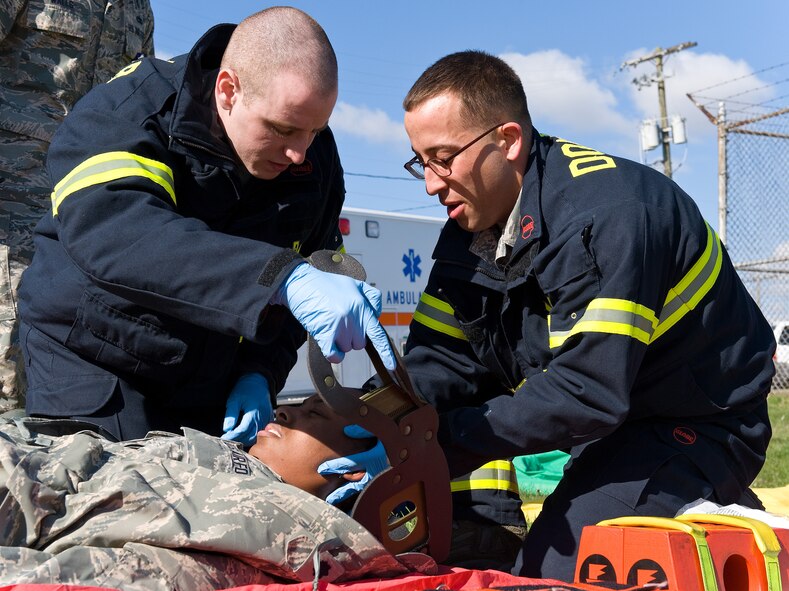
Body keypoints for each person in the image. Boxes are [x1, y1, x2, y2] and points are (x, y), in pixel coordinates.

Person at [398, 50, 775, 580]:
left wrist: (435, 444)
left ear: (508, 141)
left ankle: (707, 503)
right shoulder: (472, 234)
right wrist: (370, 424)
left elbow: (587, 391)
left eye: (443, 158)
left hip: (696, 424)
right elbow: (439, 365)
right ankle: (493, 534)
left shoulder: (607, 215)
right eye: (420, 162)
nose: (431, 184)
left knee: (557, 572)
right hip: (610, 428)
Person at [16, 7, 395, 445]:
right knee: (122, 488)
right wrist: (280, 277)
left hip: (212, 380)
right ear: (228, 90)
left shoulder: (314, 156)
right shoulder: (129, 112)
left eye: (315, 130)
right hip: (97, 362)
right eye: (282, 129)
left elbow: (308, 286)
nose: (299, 153)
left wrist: (260, 372)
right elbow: (119, 234)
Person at [0, 395, 422, 590]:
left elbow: (95, 577)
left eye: (314, 414)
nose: (283, 410)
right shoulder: (228, 480)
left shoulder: (260, 528)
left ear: (351, 473)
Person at [0, 0, 155, 413]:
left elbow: (141, 100)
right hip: (12, 211)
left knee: (55, 387)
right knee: (8, 368)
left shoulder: (137, 10)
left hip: (83, 229)